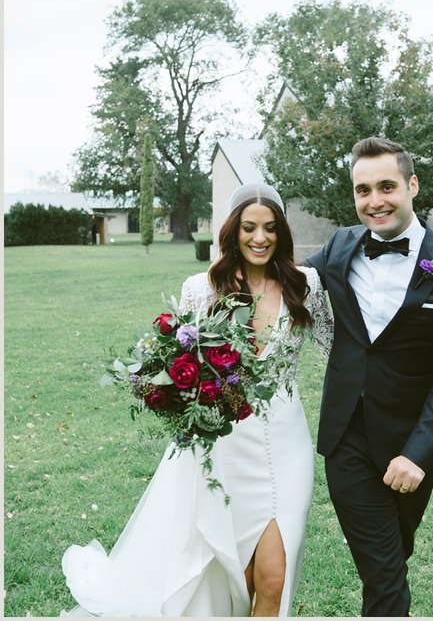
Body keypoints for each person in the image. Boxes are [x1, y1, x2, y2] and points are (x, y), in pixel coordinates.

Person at [61, 183, 335, 617]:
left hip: (287, 444)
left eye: (269, 228)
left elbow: (344, 350)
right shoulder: (201, 289)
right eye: (249, 228)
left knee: (273, 576)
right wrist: (166, 389)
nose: (259, 238)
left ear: (282, 232)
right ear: (233, 231)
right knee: (227, 571)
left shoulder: (307, 284)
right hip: (221, 443)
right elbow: (174, 359)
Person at [305, 136, 433, 617]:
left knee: (390, 559)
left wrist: (418, 453)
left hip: (413, 446)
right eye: (363, 190)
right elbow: (283, 281)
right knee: (385, 574)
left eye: (386, 186)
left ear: (412, 185)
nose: (374, 201)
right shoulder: (339, 248)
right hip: (347, 437)